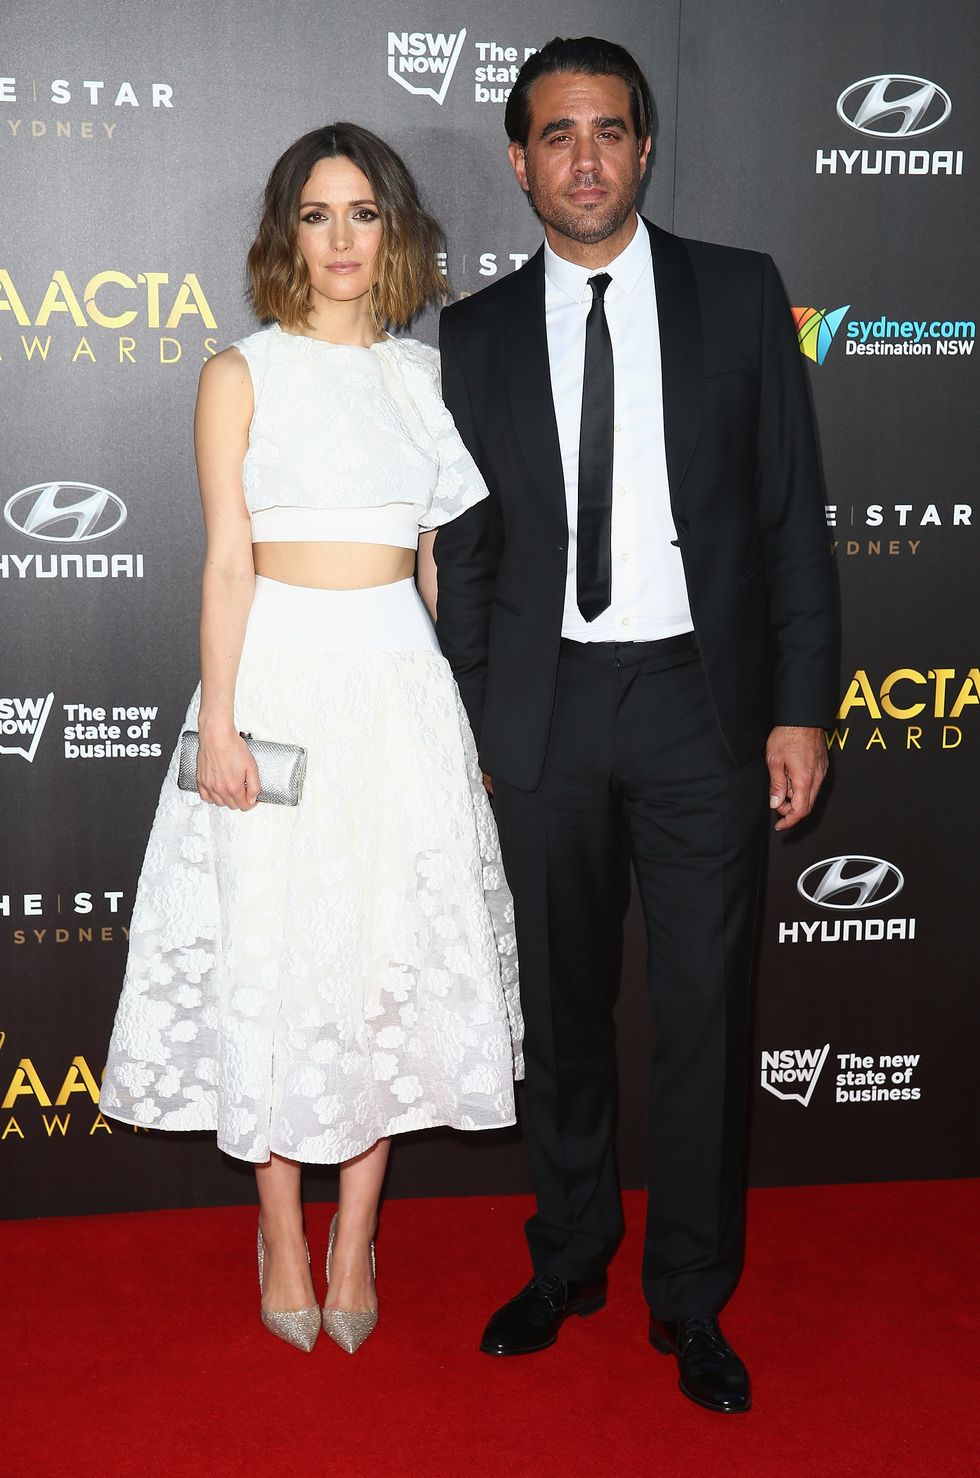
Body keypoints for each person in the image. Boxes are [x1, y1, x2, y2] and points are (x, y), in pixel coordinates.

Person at [434, 37, 836, 1413]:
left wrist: (800, 707)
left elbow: (792, 522)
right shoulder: (475, 332)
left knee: (707, 1010)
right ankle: (568, 1256)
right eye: (558, 135)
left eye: (610, 131)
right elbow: (471, 555)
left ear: (646, 150)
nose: (586, 158)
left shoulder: (738, 294)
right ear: (519, 158)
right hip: (544, 705)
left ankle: (690, 1297)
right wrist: (480, 709)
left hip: (699, 703)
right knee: (563, 1004)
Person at [100, 123, 523, 1356]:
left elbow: (446, 572)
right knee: (276, 958)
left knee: (378, 961)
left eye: (362, 214)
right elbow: (227, 560)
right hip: (276, 682)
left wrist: (467, 723)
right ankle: (281, 1228)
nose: (340, 239)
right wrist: (220, 720)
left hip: (399, 689)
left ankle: (356, 1236)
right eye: (315, 215)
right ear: (285, 234)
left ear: (396, 231)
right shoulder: (242, 373)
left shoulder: (426, 379)